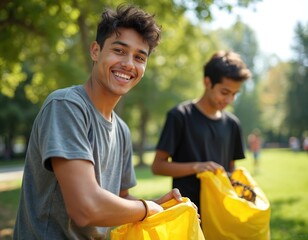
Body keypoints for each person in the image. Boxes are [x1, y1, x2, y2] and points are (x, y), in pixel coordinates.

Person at [13, 5, 183, 239]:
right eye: (119, 50)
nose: (129, 64)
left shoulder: (121, 130)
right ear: (95, 51)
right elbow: (85, 208)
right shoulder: (66, 106)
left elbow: (120, 199)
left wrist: (155, 205)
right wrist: (145, 209)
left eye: (139, 57)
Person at [151, 51, 251, 212]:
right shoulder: (179, 116)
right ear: (207, 82)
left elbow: (231, 169)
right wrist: (197, 167)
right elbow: (157, 166)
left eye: (234, 94)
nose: (229, 100)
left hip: (221, 213)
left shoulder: (233, 124)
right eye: (224, 92)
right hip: (188, 213)